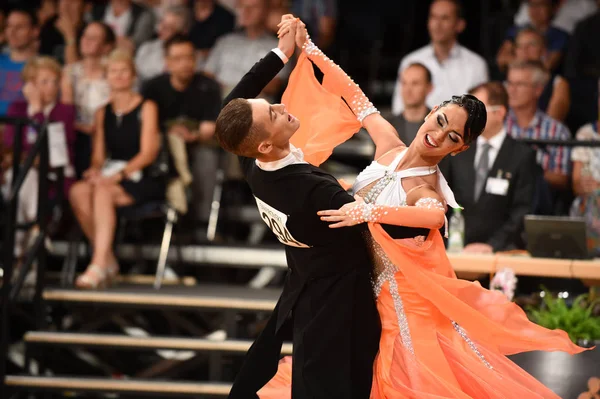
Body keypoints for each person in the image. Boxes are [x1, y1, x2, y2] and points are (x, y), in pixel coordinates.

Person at [258, 16, 587, 399]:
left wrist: (368, 212)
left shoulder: (422, 184)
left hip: (400, 310)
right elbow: (353, 92)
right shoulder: (389, 145)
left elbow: (434, 216)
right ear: (432, 110)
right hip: (359, 300)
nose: (437, 135)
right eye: (441, 120)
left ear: (459, 149)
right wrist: (309, 48)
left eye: (451, 137)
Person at [215, 17, 380, 398]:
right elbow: (373, 223)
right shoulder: (313, 190)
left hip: (304, 288)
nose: (278, 106)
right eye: (271, 114)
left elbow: (232, 104)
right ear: (266, 146)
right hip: (343, 302)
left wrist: (282, 54)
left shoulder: (252, 164)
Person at [68, 50, 163, 289]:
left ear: (132, 76)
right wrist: (94, 169)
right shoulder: (102, 112)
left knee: (102, 191)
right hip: (112, 172)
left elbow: (148, 153)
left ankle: (98, 264)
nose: (118, 76)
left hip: (141, 175)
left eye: (124, 71)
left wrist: (118, 176)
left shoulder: (147, 106)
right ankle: (107, 259)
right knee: (79, 191)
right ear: (106, 77)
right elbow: (99, 155)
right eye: (113, 71)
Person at [440, 82, 537, 254]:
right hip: (454, 250)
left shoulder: (521, 155)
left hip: (501, 253)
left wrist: (492, 245)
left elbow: (521, 211)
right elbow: (441, 197)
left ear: (499, 113)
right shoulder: (457, 149)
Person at [2, 56, 76, 260]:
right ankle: (36, 229)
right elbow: (11, 146)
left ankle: (16, 253)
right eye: (44, 82)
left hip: (55, 178)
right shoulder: (16, 109)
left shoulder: (64, 111)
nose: (51, 87)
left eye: (54, 81)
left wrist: (37, 112)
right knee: (22, 178)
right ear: (30, 84)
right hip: (20, 175)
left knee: (23, 179)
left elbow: (55, 152)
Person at [391, 0, 488, 115]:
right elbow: (398, 110)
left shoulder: (476, 65)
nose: (437, 24)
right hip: (417, 131)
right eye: (433, 17)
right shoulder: (410, 61)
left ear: (460, 25)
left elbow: (479, 115)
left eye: (445, 18)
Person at [61, 21, 116, 178]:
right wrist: (83, 127)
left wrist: (97, 128)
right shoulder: (70, 71)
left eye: (94, 38)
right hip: (78, 132)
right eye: (85, 36)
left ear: (107, 46)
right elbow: (67, 110)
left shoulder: (113, 71)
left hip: (107, 131)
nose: (86, 40)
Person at [0, 8, 39, 116]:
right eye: (9, 26)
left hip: (20, 128)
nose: (12, 32)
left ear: (34, 31)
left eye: (19, 27)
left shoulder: (43, 67)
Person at [570, 120, 600, 256]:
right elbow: (577, 185)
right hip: (590, 204)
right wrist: (584, 185)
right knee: (583, 204)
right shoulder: (585, 133)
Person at [389, 63, 433, 145]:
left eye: (415, 83)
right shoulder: (387, 128)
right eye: (404, 83)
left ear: (429, 87)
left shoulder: (440, 127)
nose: (407, 90)